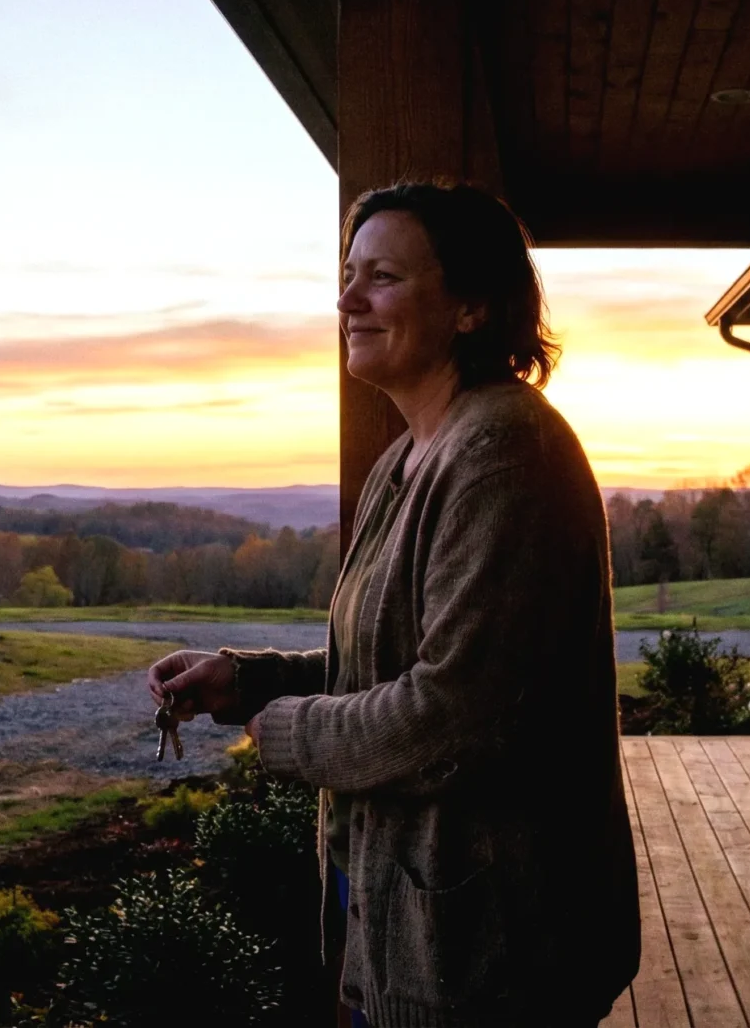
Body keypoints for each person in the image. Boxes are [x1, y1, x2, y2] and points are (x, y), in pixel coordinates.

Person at [149, 182, 637, 1027]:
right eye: (347, 274)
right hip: (409, 918)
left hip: (494, 951)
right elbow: (389, 662)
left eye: (381, 277)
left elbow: (458, 715)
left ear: (473, 305)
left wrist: (290, 732)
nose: (346, 300)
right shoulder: (409, 457)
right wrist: (252, 681)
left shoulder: (504, 453)